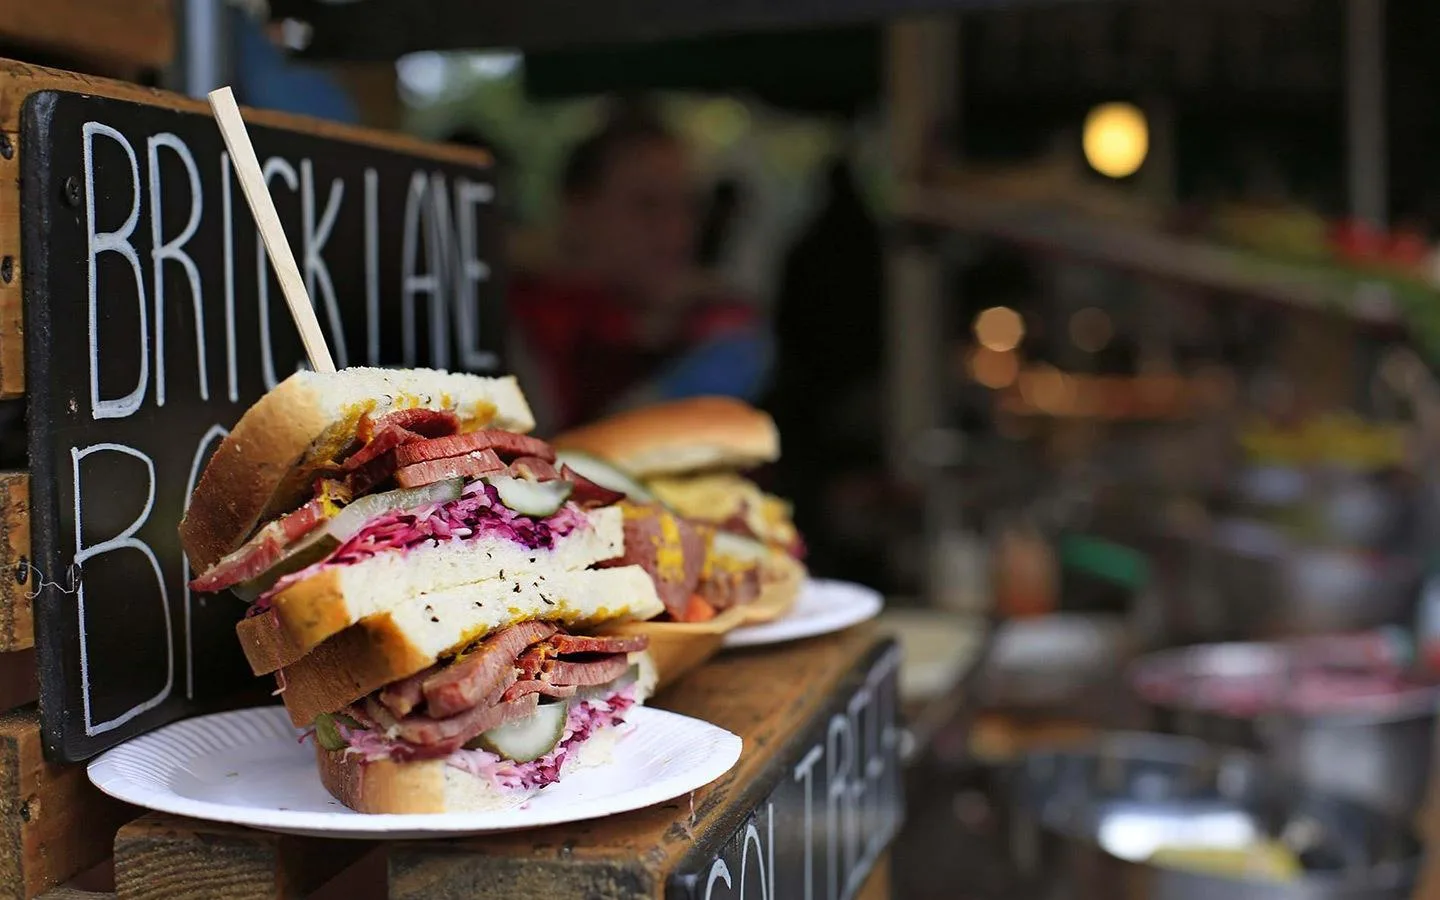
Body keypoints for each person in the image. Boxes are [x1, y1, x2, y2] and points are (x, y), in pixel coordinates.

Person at [508, 103, 771, 434]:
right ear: (577, 210)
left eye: (687, 206)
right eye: (647, 206)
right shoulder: (521, 328)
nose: (676, 231)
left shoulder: (715, 323)